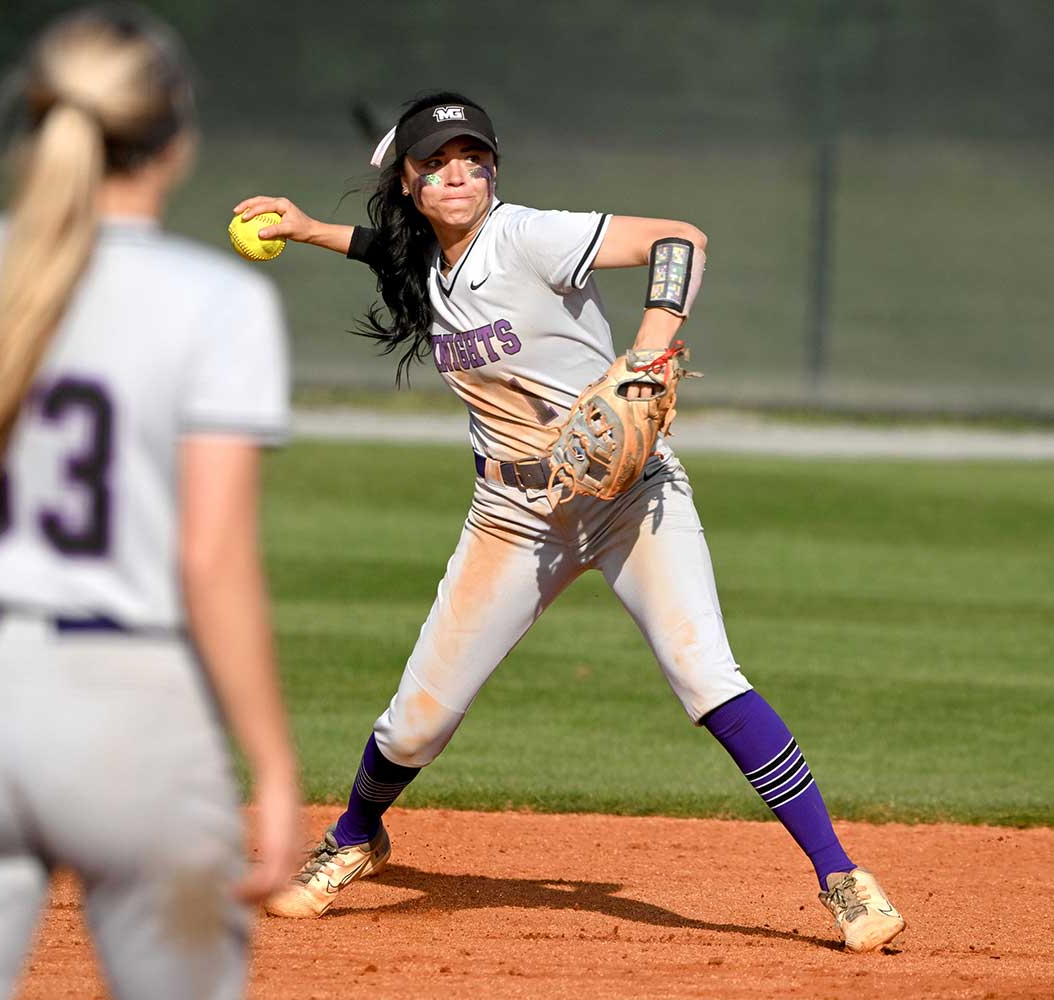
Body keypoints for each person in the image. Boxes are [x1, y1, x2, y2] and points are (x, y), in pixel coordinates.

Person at [233, 92, 905, 953]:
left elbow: (681, 240)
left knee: (707, 675)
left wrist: (652, 346)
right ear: (405, 180)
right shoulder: (432, 262)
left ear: (494, 170)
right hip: (512, 516)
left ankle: (841, 877)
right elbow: (401, 262)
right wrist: (305, 228)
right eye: (436, 160)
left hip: (631, 498)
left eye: (473, 157)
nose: (458, 172)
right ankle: (357, 838)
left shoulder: (524, 235)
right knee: (417, 721)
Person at [0, 8, 300, 998]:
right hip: (128, 711)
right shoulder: (215, 301)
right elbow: (209, 560)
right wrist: (269, 766)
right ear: (173, 136)